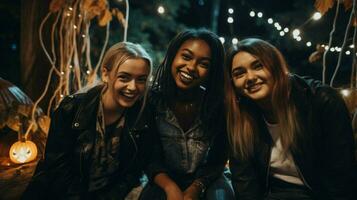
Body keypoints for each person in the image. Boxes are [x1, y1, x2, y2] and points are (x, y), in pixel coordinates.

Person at [224, 38, 357, 200]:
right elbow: (245, 183)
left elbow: (341, 177)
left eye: (258, 66)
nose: (250, 77)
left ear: (275, 66)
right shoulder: (241, 115)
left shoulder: (322, 101)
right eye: (239, 73)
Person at [22, 42, 157, 199]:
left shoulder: (142, 116)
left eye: (141, 79)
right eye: (124, 77)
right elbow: (57, 170)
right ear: (106, 74)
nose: (133, 87)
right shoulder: (70, 109)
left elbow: (133, 172)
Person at [140, 29, 235, 200]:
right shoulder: (152, 101)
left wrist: (196, 188)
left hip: (208, 179)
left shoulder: (218, 106)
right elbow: (149, 156)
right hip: (164, 178)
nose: (191, 67)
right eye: (186, 56)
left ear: (212, 71)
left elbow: (218, 160)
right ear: (173, 56)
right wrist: (170, 187)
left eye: (204, 64)